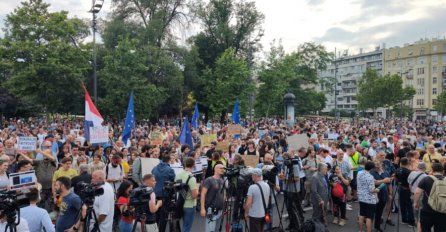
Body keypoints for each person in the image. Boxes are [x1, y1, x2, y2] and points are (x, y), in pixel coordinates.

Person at [414, 163, 446, 232]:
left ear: (432, 170)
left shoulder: (426, 179)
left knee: (425, 229)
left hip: (427, 210)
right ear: (443, 171)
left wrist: (415, 203)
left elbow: (417, 192)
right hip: (442, 211)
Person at [278, 151, 304, 230]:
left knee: (295, 208)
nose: (284, 161)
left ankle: (298, 225)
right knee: (289, 209)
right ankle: (292, 224)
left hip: (294, 190)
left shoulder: (294, 165)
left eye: (285, 159)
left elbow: (297, 178)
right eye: (283, 159)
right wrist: (281, 175)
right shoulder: (284, 164)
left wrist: (285, 178)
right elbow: (282, 173)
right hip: (286, 189)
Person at [152, 154, 175, 232]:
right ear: (168, 160)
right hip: (165, 195)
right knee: (164, 216)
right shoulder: (170, 170)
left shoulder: (154, 168)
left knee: (155, 214)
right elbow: (173, 181)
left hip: (155, 194)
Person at [31, 141, 57, 211]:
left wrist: (42, 152)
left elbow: (53, 159)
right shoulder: (39, 162)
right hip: (41, 187)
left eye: (47, 154)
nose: (45, 155)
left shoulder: (52, 163)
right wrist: (21, 153)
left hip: (50, 187)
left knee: (49, 204)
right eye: (45, 154)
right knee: (40, 203)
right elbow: (30, 161)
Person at [175, 157, 198, 232]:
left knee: (179, 226)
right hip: (190, 205)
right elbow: (194, 195)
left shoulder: (178, 174)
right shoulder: (192, 178)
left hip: (179, 203)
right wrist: (197, 189)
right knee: (186, 227)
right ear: (193, 165)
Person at [200, 164, 225, 232]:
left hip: (220, 209)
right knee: (210, 230)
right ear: (215, 169)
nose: (223, 169)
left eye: (223, 168)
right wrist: (202, 208)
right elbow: (203, 194)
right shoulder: (209, 180)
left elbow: (223, 193)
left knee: (217, 229)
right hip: (211, 209)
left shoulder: (222, 180)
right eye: (221, 168)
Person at [244, 168, 270, 232]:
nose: (251, 176)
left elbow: (248, 203)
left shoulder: (252, 187)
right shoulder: (267, 185)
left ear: (256, 175)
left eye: (252, 175)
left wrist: (246, 213)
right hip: (264, 214)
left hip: (254, 215)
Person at [357, 161, 380, 232]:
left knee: (361, 215)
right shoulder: (370, 176)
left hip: (361, 197)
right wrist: (377, 190)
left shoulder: (359, 173)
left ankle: (360, 230)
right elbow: (372, 190)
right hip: (369, 200)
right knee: (369, 217)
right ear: (371, 169)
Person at [370, 160, 392, 232]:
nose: (377, 164)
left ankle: (377, 227)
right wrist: (384, 180)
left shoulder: (386, 172)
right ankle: (369, 228)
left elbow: (389, 184)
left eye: (378, 163)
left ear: (381, 164)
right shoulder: (371, 173)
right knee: (372, 213)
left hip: (383, 195)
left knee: (379, 213)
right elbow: (373, 183)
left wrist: (390, 194)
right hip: (374, 195)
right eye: (375, 163)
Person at [311, 163, 330, 231]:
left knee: (322, 216)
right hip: (318, 201)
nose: (326, 171)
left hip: (324, 199)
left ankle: (321, 228)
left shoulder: (323, 175)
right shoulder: (315, 177)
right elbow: (314, 191)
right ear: (321, 169)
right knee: (316, 217)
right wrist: (320, 200)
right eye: (325, 169)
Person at [398, 157, 415, 227]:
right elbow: (411, 182)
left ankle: (404, 219)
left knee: (402, 204)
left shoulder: (398, 170)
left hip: (400, 188)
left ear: (401, 163)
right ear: (407, 163)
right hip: (407, 189)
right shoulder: (408, 172)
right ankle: (411, 222)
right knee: (409, 205)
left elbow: (395, 178)